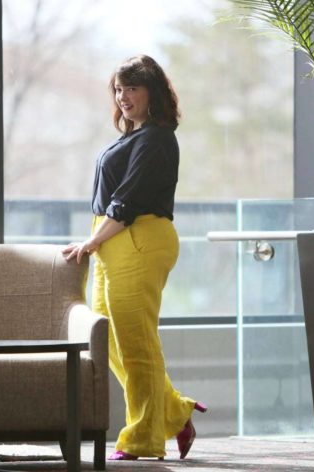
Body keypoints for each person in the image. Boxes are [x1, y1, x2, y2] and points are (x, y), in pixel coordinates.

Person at [62, 54, 207, 461]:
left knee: (137, 343)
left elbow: (126, 202)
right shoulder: (134, 135)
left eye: (132, 88)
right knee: (109, 341)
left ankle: (143, 438)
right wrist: (95, 240)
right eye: (118, 88)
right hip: (114, 241)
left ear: (152, 92)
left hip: (139, 239)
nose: (123, 96)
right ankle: (175, 412)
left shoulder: (158, 137)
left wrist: (91, 243)